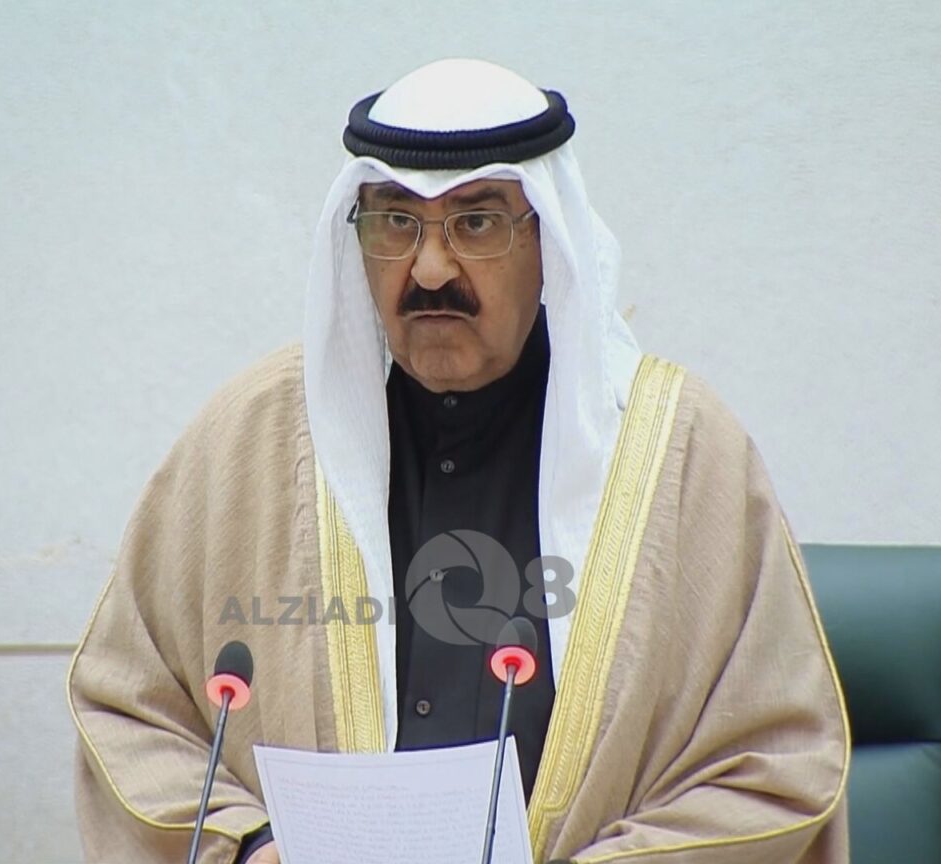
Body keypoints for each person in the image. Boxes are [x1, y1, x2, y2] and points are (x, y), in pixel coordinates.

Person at [67, 58, 850, 864]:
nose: (430, 269)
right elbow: (130, 705)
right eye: (395, 223)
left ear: (548, 239)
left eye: (476, 223)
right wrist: (247, 842)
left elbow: (774, 767)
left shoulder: (680, 455)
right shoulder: (248, 441)